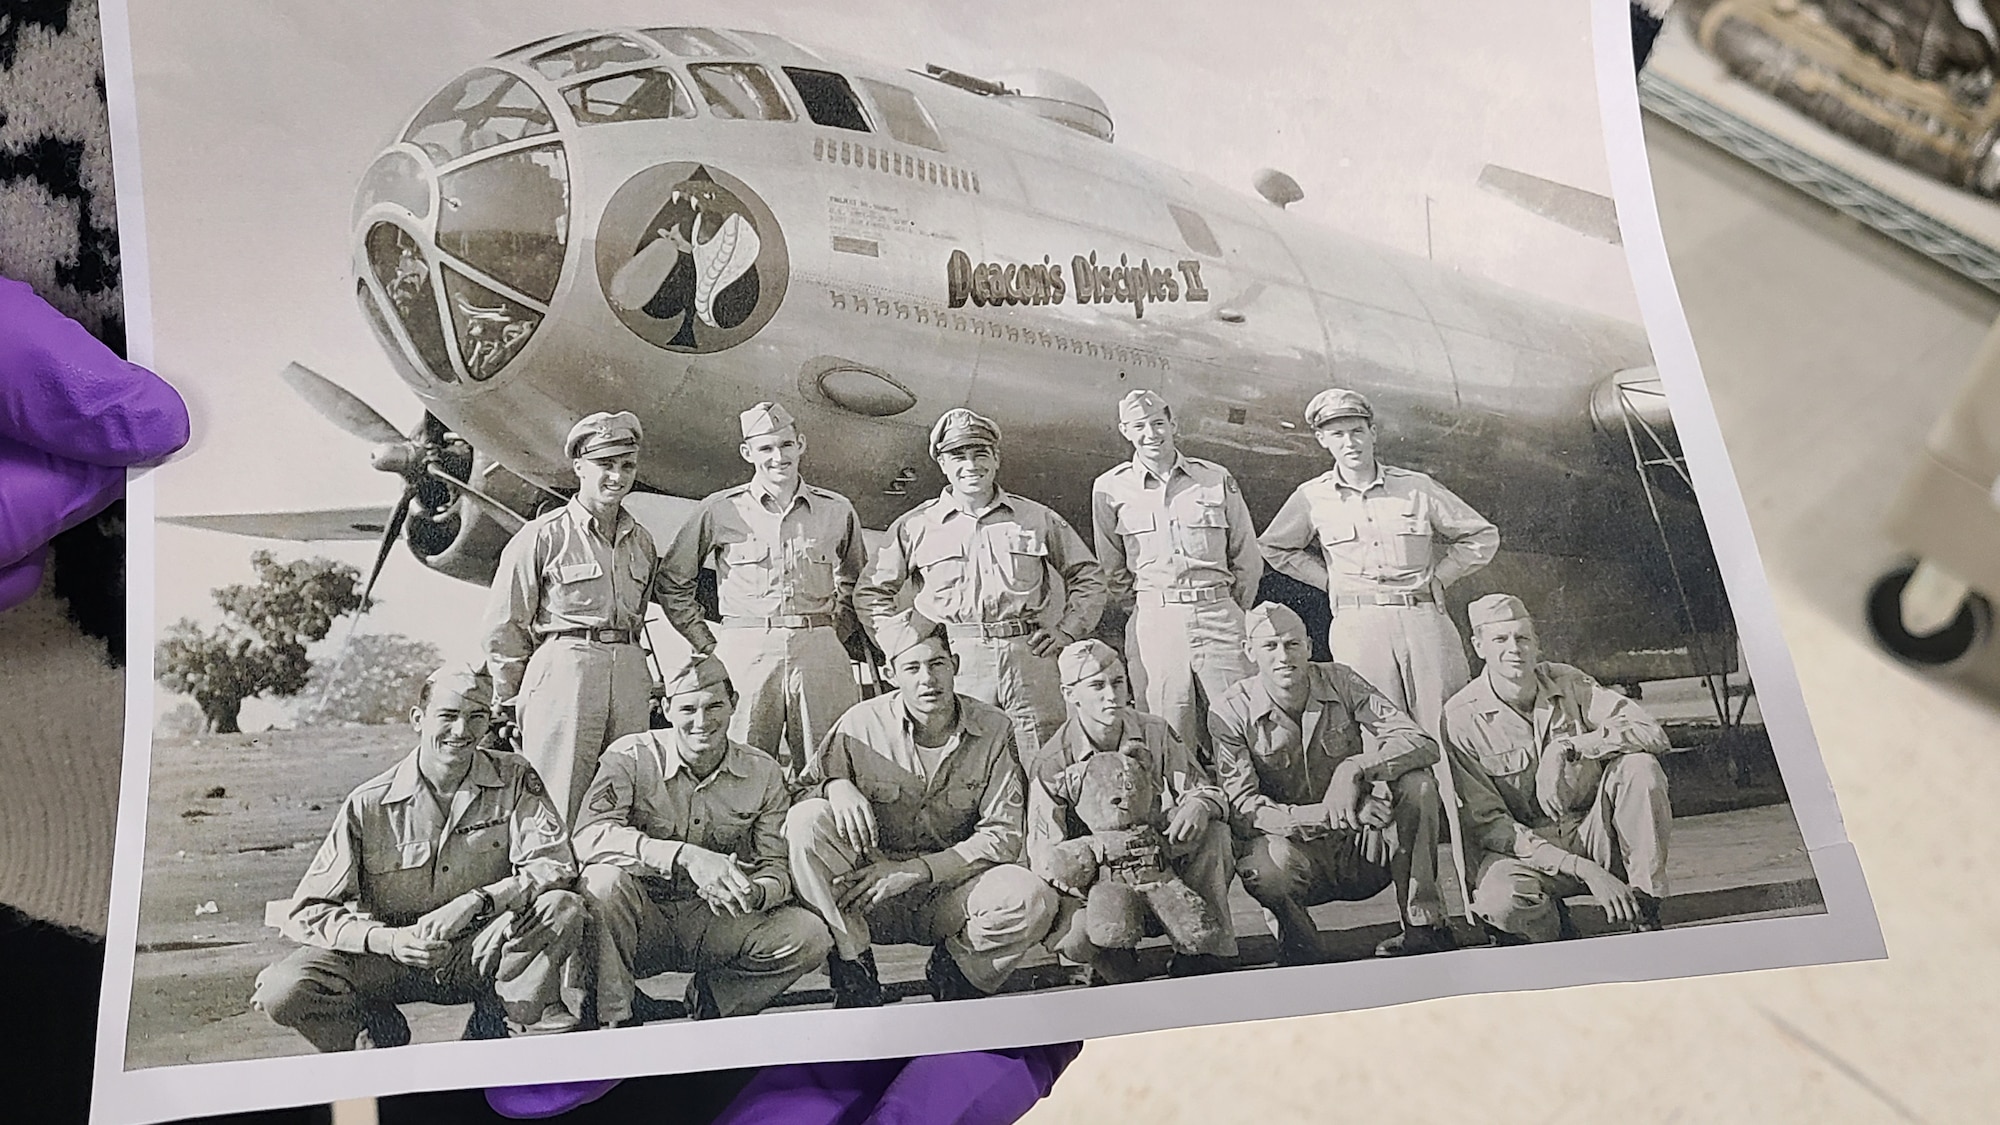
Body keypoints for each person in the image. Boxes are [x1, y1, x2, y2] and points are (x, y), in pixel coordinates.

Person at [251, 665, 585, 1050]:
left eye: (476, 716)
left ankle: (503, 1022)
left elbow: (554, 864)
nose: (462, 730)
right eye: (448, 716)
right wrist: (388, 940)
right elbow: (309, 910)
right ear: (417, 719)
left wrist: (477, 901)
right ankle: (374, 1037)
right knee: (283, 989)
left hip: (479, 952)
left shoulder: (514, 778)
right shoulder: (370, 803)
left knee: (561, 907)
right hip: (391, 960)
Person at [786, 621, 1058, 1007]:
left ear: (955, 665)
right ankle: (855, 969)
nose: (927, 679)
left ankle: (958, 970)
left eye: (937, 664)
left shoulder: (995, 729)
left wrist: (916, 871)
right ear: (890, 674)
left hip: (949, 894)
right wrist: (834, 785)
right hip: (868, 897)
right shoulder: (859, 726)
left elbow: (1003, 834)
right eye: (912, 668)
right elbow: (797, 795)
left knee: (1031, 897)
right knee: (807, 819)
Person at [573, 653, 832, 1024]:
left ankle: (715, 999)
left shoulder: (763, 772)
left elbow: (776, 865)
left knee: (808, 934)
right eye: (687, 709)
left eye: (714, 707)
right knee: (602, 882)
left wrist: (756, 892)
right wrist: (685, 856)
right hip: (643, 918)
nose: (701, 721)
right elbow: (590, 835)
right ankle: (616, 1014)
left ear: (734, 704)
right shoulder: (631, 757)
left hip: (714, 917)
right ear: (665, 709)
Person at [1209, 603, 1455, 964]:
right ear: (1249, 652)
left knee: (1417, 785)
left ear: (1309, 646)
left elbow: (1420, 742)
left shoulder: (1342, 680)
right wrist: (1332, 813)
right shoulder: (1230, 711)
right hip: (1298, 855)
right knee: (1264, 867)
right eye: (1270, 646)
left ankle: (1423, 927)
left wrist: (1355, 767)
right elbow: (1244, 809)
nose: (1284, 657)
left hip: (1361, 847)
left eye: (1292, 644)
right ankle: (1298, 942)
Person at [854, 408, 1105, 757]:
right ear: (943, 464)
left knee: (1043, 762)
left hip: (1029, 660)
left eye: (980, 454)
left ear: (996, 459)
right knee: (965, 761)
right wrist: (901, 646)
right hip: (959, 663)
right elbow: (871, 592)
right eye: (958, 456)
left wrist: (1067, 631)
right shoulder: (916, 525)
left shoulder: (1035, 517)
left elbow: (1088, 575)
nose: (971, 465)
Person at [1257, 387, 1499, 739]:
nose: (1350, 443)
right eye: (1338, 435)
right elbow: (1275, 546)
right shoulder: (1312, 496)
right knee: (1377, 727)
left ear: (1373, 433)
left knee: (1448, 723)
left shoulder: (1416, 487)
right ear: (1323, 440)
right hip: (1359, 625)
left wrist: (1442, 577)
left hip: (1423, 617)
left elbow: (1482, 536)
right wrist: (1328, 582)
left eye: (1357, 431)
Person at [1441, 594, 1672, 942]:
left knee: (1640, 767)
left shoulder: (1568, 683)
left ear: (1537, 643)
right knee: (1502, 905)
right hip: (1526, 852)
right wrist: (1584, 870)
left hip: (1592, 833)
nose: (1514, 649)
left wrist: (1568, 747)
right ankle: (1553, 927)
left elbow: (1650, 732)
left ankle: (1644, 904)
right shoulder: (1461, 718)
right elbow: (1491, 827)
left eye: (1522, 637)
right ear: (1478, 646)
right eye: (1500, 639)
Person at [659, 402, 867, 780]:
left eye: (786, 445)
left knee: (829, 766)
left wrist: (833, 633)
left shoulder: (836, 510)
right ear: (747, 452)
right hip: (745, 652)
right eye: (766, 448)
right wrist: (709, 643)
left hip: (818, 650)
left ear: (801, 444)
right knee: (739, 766)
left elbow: (856, 581)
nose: (778, 457)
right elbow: (673, 579)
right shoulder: (721, 510)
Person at [482, 410, 659, 824]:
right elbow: (505, 625)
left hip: (628, 672)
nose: (617, 476)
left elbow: (639, 613)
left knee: (625, 793)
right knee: (558, 796)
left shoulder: (642, 542)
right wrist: (510, 699)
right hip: (566, 670)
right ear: (579, 467)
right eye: (605, 465)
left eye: (627, 466)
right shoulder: (543, 536)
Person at [1026, 639, 1237, 984]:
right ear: (1069, 693)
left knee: (1216, 833)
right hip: (1098, 886)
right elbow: (1043, 854)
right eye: (1097, 686)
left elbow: (1204, 788)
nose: (1111, 695)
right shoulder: (1053, 761)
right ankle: (1109, 959)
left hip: (1159, 866)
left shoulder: (1154, 731)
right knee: (1076, 939)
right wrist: (1097, 872)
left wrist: (1198, 804)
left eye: (1118, 682)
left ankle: (1205, 951)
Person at [1090, 389, 1260, 765]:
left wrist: (1227, 606)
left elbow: (1246, 556)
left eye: (1158, 424)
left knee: (1242, 720)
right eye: (1139, 427)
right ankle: (1181, 800)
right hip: (1156, 621)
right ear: (1125, 431)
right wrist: (1149, 606)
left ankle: (1249, 801)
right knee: (1167, 729)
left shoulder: (1214, 478)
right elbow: (1112, 566)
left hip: (1219, 615)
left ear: (1173, 425)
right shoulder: (1110, 488)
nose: (1151, 434)